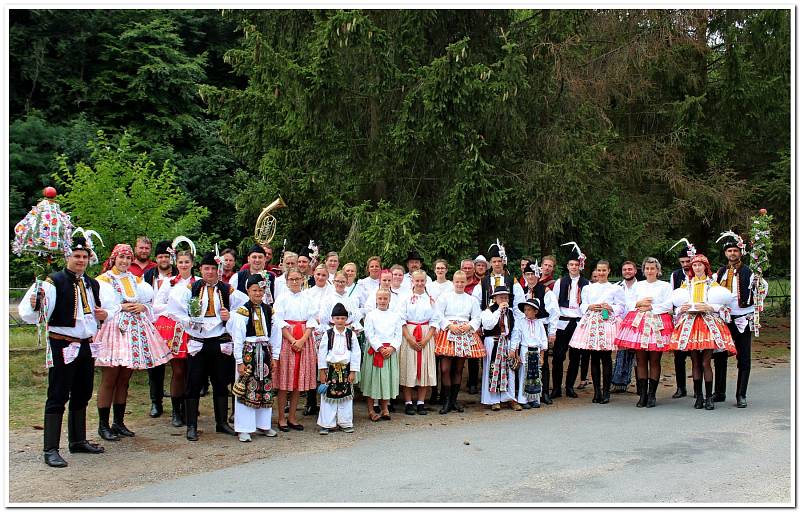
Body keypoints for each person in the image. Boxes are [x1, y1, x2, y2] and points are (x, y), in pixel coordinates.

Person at [19, 236, 108, 467]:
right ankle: (50, 449)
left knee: (83, 392)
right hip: (63, 344)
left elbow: (101, 312)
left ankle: (77, 440)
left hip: (87, 344)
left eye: (84, 257)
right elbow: (30, 314)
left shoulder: (92, 283)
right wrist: (34, 303)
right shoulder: (53, 282)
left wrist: (104, 315)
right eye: (76, 256)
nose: (80, 260)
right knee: (58, 394)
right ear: (67, 257)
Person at [94, 244, 173, 441]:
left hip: (134, 330)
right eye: (121, 258)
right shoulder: (104, 280)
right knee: (110, 378)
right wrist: (121, 307)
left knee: (124, 378)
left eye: (128, 259)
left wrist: (142, 307)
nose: (125, 262)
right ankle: (103, 424)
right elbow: (103, 306)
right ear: (114, 259)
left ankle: (118, 422)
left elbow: (149, 302)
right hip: (115, 330)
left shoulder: (135, 279)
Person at [166, 251, 248, 440]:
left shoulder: (228, 290)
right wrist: (189, 321)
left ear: (218, 270)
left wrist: (231, 316)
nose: (210, 272)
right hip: (198, 342)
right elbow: (174, 309)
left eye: (213, 268)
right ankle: (192, 426)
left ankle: (221, 423)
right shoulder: (190, 289)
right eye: (206, 268)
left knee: (221, 383)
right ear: (200, 269)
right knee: (193, 383)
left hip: (220, 342)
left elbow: (245, 306)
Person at [669, 254, 737, 410]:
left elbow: (725, 307)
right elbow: (677, 308)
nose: (697, 268)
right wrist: (681, 308)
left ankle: (708, 397)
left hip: (708, 325)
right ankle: (698, 397)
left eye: (700, 265)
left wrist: (710, 307)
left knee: (706, 362)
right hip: (690, 325)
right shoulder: (687, 285)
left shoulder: (713, 285)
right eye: (694, 265)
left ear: (705, 267)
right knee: (695, 362)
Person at [714, 232, 766, 408]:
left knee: (743, 357)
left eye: (735, 250)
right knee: (720, 355)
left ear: (740, 252)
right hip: (724, 319)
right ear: (725, 253)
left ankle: (741, 395)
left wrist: (758, 286)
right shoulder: (720, 272)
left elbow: (761, 289)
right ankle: (719, 392)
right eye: (729, 251)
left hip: (743, 317)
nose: (732, 254)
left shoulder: (749, 272)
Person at [227, 274, 282, 442]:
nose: (258, 294)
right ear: (248, 291)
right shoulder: (242, 311)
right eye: (254, 290)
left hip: (264, 352)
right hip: (249, 353)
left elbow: (275, 334)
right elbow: (238, 337)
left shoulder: (269, 310)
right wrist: (239, 360)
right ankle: (244, 427)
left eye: (261, 290)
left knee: (265, 388)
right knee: (246, 389)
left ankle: (263, 424)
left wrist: (275, 356)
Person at [614, 257, 674, 407]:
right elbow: (628, 302)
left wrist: (652, 307)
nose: (649, 271)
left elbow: (669, 304)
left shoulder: (665, 286)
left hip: (658, 322)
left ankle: (652, 394)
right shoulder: (638, 285)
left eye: (652, 268)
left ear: (658, 270)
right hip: (639, 323)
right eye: (647, 268)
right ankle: (642, 395)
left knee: (654, 359)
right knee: (640, 360)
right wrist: (638, 304)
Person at [568, 260, 625, 404]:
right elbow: (582, 305)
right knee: (594, 358)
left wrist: (610, 307)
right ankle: (597, 391)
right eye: (599, 270)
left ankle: (606, 392)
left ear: (609, 271)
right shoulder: (588, 288)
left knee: (606, 358)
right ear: (596, 272)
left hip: (607, 322)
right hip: (592, 321)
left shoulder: (615, 288)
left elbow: (621, 306)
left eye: (604, 270)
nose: (601, 273)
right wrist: (590, 306)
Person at [152, 250, 196, 427]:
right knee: (178, 370)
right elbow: (156, 305)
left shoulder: (198, 282)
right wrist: (172, 311)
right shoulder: (169, 282)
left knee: (190, 370)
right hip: (174, 328)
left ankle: (189, 407)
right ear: (176, 263)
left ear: (192, 263)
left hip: (193, 329)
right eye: (181, 262)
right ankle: (176, 411)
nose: (184, 265)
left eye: (187, 262)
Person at [272, 269, 317, 431]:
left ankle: (292, 416)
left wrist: (303, 339)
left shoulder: (308, 297)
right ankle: (281, 418)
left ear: (303, 279)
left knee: (298, 380)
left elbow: (312, 318)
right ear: (287, 280)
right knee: (285, 381)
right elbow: (277, 319)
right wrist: (292, 340)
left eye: (297, 279)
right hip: (287, 340)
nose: (295, 282)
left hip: (304, 338)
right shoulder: (282, 298)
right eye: (291, 279)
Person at [434, 270, 484, 414]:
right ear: (453, 282)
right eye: (457, 282)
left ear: (466, 282)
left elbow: (477, 317)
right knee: (445, 368)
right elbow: (438, 314)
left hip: (464, 332)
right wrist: (449, 325)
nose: (460, 284)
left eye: (462, 282)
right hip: (449, 331)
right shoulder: (445, 297)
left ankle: (454, 401)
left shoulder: (471, 299)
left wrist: (469, 326)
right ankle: (446, 400)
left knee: (458, 368)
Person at [512, 261, 559, 405]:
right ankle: (523, 395)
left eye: (533, 274)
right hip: (522, 328)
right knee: (523, 365)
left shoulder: (544, 290)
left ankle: (542, 393)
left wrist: (552, 331)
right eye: (527, 274)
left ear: (537, 275)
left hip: (540, 327)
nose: (530, 277)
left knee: (542, 364)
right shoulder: (520, 289)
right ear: (524, 275)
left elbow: (554, 311)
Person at [143, 240, 178, 418]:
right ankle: (156, 402)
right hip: (153, 324)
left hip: (175, 325)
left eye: (167, 256)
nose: (164, 259)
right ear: (156, 258)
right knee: (155, 364)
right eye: (160, 256)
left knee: (178, 365)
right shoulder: (149, 275)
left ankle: (178, 406)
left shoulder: (179, 274)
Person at [550, 244, 590, 399]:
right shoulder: (560, 282)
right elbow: (554, 304)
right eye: (571, 264)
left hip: (579, 322)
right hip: (562, 321)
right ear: (567, 266)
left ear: (581, 265)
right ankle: (556, 388)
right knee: (559, 356)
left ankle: (569, 387)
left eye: (576, 264)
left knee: (575, 356)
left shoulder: (587, 283)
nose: (574, 267)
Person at [398, 270, 440, 415]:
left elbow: (435, 320)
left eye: (422, 281)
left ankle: (421, 402)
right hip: (409, 332)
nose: (420, 283)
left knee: (424, 367)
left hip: (426, 333)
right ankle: (408, 402)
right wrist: (409, 338)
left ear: (425, 281)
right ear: (412, 282)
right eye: (417, 281)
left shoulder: (431, 299)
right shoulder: (405, 298)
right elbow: (401, 319)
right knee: (409, 366)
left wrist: (427, 339)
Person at [317, 303, 361, 434]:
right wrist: (322, 371)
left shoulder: (350, 334)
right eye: (337, 318)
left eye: (343, 318)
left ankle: (345, 423)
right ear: (332, 319)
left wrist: (353, 371)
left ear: (346, 319)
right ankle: (327, 424)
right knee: (328, 397)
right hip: (331, 370)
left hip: (346, 369)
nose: (340, 321)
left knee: (346, 397)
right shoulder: (328, 334)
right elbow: (322, 353)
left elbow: (356, 353)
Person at [362, 289, 403, 421]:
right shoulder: (371, 315)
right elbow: (369, 333)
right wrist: (379, 347)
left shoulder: (395, 316)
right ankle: (371, 409)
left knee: (386, 380)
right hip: (375, 351)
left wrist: (392, 348)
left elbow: (398, 334)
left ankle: (385, 407)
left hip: (389, 352)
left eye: (385, 298)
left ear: (389, 300)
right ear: (376, 299)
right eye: (380, 298)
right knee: (372, 379)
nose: (382, 301)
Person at [479, 286, 521, 411]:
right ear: (495, 299)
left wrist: (513, 348)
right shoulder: (488, 311)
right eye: (501, 297)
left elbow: (515, 331)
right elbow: (488, 325)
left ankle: (509, 398)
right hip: (492, 342)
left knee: (509, 371)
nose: (504, 299)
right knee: (492, 369)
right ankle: (494, 400)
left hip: (506, 342)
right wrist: (499, 311)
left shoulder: (511, 313)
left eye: (506, 297)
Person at [510, 298, 548, 408]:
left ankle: (534, 398)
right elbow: (516, 337)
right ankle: (523, 399)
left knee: (535, 375)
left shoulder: (539, 323)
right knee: (524, 375)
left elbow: (543, 339)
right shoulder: (520, 322)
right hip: (525, 350)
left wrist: (542, 355)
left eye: (529, 310)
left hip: (536, 350)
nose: (526, 312)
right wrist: (516, 353)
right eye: (525, 310)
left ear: (535, 311)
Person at [610, 261, 640, 393]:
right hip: (621, 323)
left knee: (639, 356)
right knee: (621, 353)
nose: (627, 271)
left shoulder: (641, 286)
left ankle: (641, 386)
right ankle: (619, 383)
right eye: (624, 269)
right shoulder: (616, 287)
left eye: (630, 269)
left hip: (638, 323)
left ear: (635, 271)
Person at [669, 243, 693, 399]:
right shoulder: (675, 275)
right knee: (679, 354)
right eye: (682, 262)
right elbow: (672, 297)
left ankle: (698, 387)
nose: (685, 265)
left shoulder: (701, 274)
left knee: (697, 354)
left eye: (687, 262)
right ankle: (681, 387)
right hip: (680, 318)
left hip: (697, 317)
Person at [461, 258, 481, 396]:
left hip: (472, 322)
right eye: (465, 268)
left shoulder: (479, 284)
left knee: (473, 355)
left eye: (470, 268)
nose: (467, 270)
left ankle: (473, 383)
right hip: (458, 323)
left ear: (473, 269)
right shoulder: (455, 282)